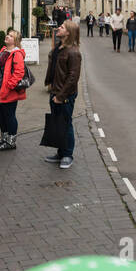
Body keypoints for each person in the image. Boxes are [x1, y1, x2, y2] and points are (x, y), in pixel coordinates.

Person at [44, 19, 82, 169]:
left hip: (65, 95)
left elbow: (73, 78)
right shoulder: (59, 48)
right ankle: (60, 153)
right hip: (55, 91)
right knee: (58, 124)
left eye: (62, 27)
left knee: (66, 124)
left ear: (68, 33)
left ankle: (67, 155)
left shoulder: (73, 52)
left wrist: (61, 96)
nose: (58, 28)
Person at [0, 28, 26, 149]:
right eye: (8, 35)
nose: (7, 37)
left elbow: (19, 72)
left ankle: (11, 141)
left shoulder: (17, 54)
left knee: (9, 115)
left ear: (16, 41)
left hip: (8, 91)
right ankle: (4, 137)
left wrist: (9, 86)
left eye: (11, 36)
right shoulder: (3, 50)